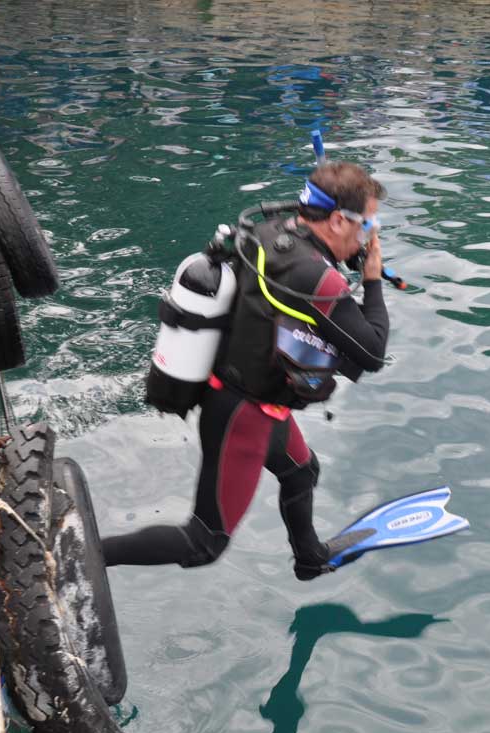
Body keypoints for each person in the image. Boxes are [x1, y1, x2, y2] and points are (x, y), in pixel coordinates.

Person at [103, 162, 390, 580]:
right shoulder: (317, 279)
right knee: (204, 541)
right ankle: (85, 551)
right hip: (243, 415)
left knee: (300, 471)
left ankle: (309, 557)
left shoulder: (272, 232)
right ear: (337, 220)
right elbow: (373, 352)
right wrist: (373, 279)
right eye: (367, 224)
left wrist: (345, 255)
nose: (369, 235)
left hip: (252, 398)